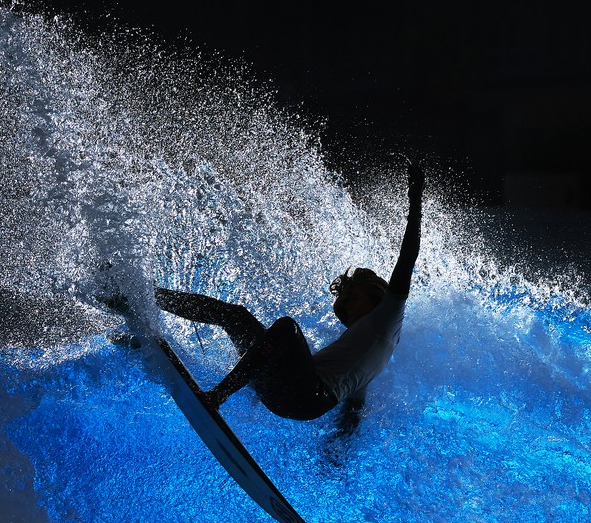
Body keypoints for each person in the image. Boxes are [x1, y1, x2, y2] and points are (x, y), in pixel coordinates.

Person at [149, 162, 423, 425]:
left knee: (287, 329)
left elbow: (406, 260)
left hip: (307, 397)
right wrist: (337, 447)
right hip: (284, 391)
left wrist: (415, 200)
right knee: (236, 316)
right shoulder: (363, 348)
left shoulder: (387, 318)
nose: (346, 310)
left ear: (377, 297)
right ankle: (151, 297)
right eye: (344, 304)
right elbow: (354, 406)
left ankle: (218, 395)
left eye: (352, 300)